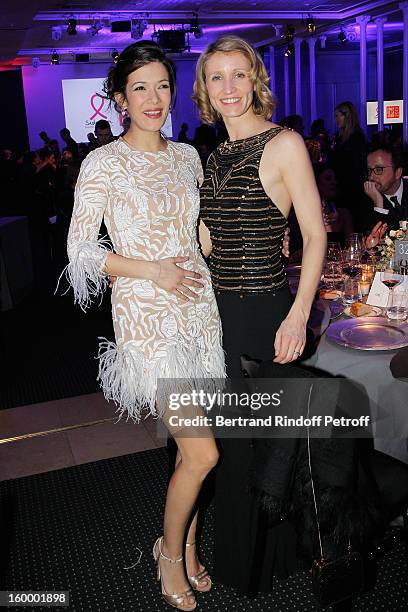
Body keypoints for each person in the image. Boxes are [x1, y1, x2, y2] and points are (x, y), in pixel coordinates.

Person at [65, 41, 225, 611]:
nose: (153, 98)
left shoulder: (188, 157)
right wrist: (150, 269)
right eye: (140, 88)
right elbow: (81, 250)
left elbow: (198, 231)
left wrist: (234, 237)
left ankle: (188, 543)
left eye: (162, 86)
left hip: (199, 311)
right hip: (149, 317)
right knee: (203, 454)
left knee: (191, 450)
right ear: (119, 99)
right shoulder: (103, 162)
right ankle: (169, 554)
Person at [193, 35, 326, 594]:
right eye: (216, 77)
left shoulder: (285, 144)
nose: (228, 87)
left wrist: (298, 315)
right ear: (204, 88)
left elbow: (315, 235)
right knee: (231, 444)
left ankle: (260, 567)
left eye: (238, 74)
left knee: (262, 447)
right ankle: (241, 560)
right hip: (217, 314)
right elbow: (207, 240)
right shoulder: (213, 153)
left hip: (266, 312)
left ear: (256, 80)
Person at [361, 140, 408, 232]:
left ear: (398, 172)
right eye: (369, 170)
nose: (371, 177)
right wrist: (378, 205)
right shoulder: (365, 199)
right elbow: (372, 242)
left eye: (379, 169)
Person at [328, 101, 367, 212]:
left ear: (347, 116)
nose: (336, 120)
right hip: (342, 186)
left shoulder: (356, 138)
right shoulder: (340, 138)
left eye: (337, 116)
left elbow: (355, 164)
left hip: (351, 188)